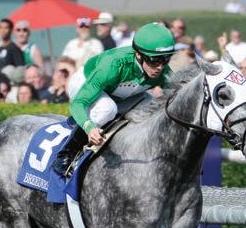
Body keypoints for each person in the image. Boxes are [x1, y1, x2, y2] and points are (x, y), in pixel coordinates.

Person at [52, 22, 176, 177]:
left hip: (118, 93)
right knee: (107, 108)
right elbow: (78, 103)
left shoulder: (163, 71)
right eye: (154, 60)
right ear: (138, 55)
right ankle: (65, 155)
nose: (160, 67)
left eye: (165, 59)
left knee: (152, 106)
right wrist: (89, 127)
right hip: (83, 83)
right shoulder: (113, 65)